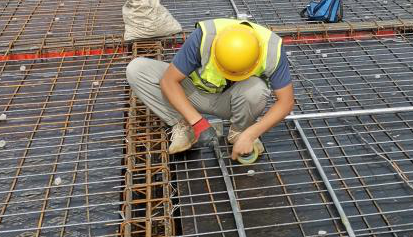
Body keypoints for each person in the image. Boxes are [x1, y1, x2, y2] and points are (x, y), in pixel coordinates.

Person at [126, 18, 295, 162]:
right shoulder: (204, 38)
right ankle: (183, 124)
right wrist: (198, 123)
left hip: (231, 101)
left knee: (257, 89)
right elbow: (169, 81)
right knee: (137, 69)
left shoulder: (272, 50)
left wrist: (251, 134)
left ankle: (240, 131)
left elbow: (286, 102)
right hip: (192, 93)